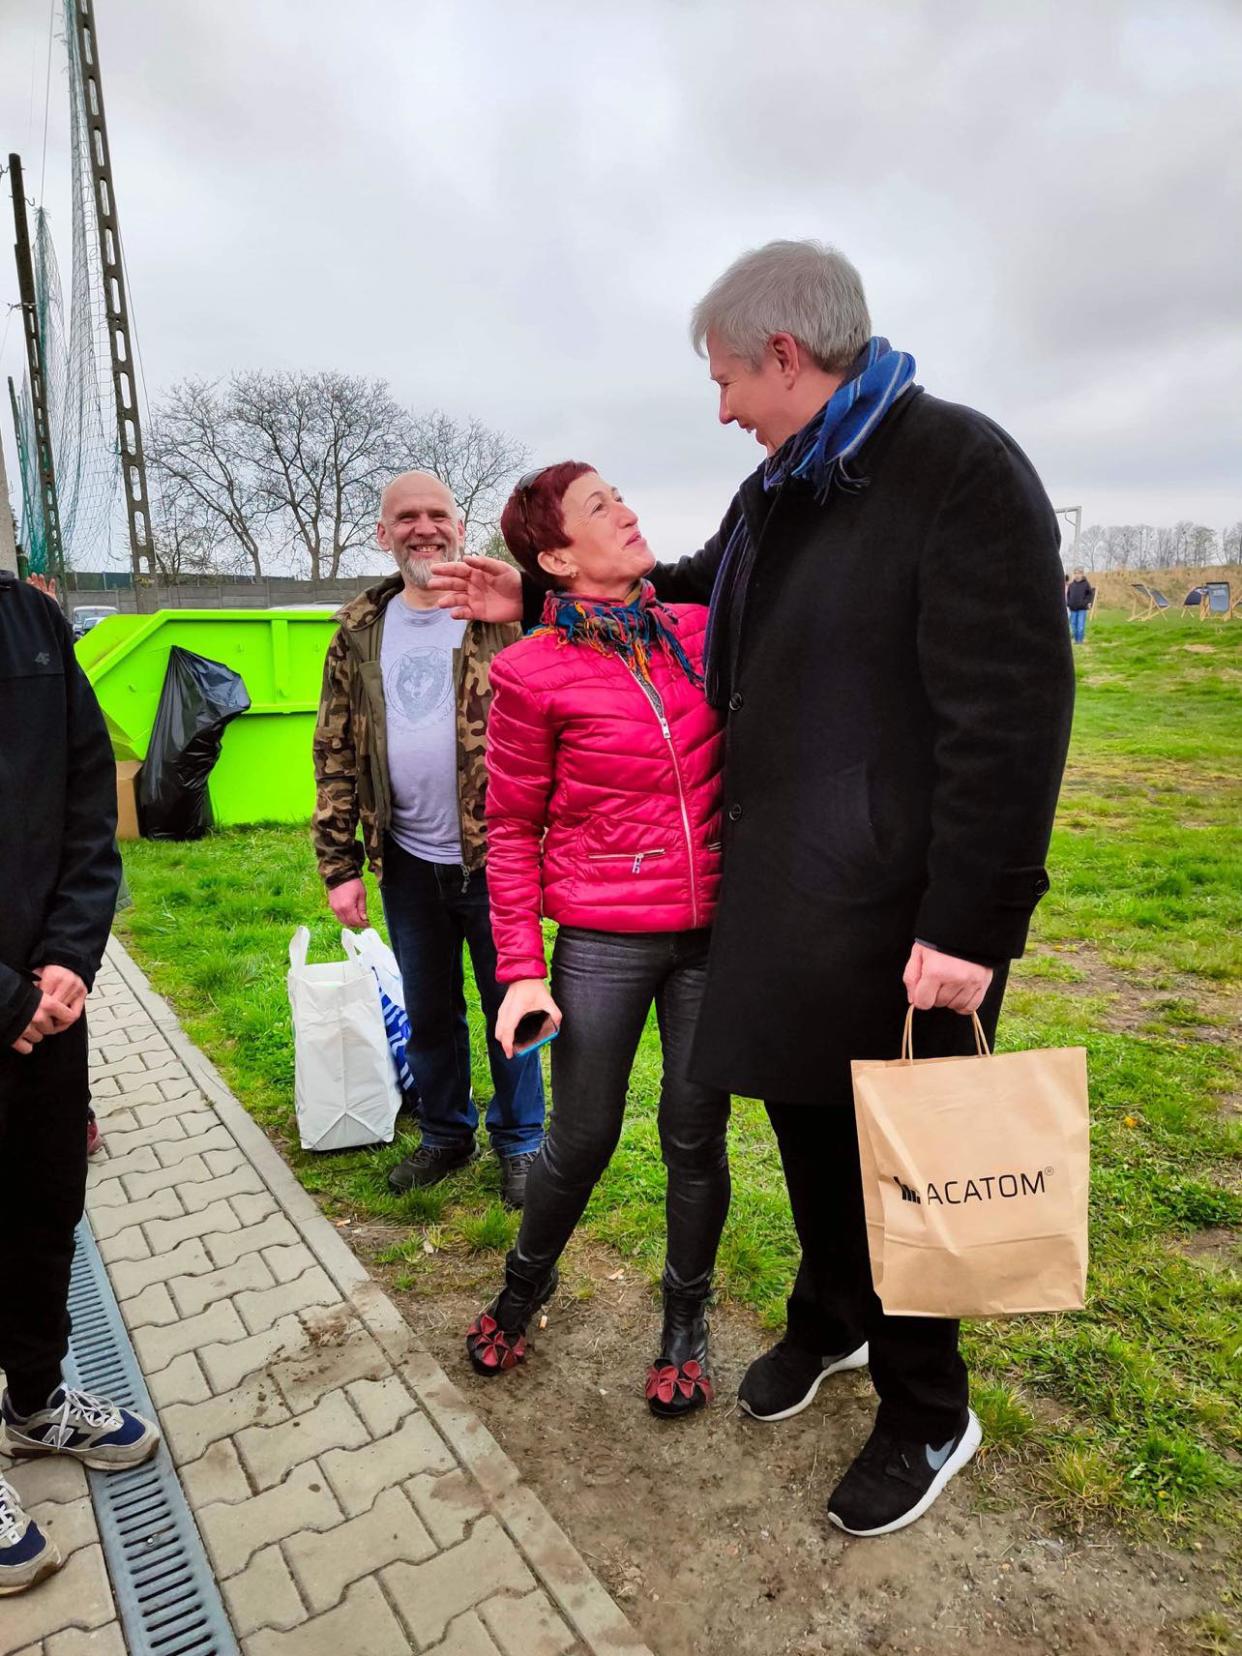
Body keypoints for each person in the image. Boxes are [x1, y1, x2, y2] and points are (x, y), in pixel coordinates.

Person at [432, 240, 1074, 1535]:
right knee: (808, 1136)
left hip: (905, 920)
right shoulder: (785, 486)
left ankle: (926, 1407)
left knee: (912, 1162)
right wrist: (536, 604)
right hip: (785, 909)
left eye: (725, 377)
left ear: (786, 356)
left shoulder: (956, 470)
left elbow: (1012, 715)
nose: (718, 405)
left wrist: (968, 925)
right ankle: (832, 1321)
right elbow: (693, 584)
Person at [463, 464, 729, 1417]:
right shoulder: (527, 673)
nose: (629, 511)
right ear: (558, 555)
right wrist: (522, 971)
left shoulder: (701, 635)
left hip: (711, 940)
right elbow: (508, 831)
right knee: (581, 1138)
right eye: (600, 507)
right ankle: (523, 1288)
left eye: (623, 495)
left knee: (695, 1138)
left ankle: (685, 1324)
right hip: (605, 942)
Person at [312, 472, 545, 1207]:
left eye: (436, 514)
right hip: (407, 858)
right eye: (405, 517)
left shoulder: (501, 610)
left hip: (499, 856)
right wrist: (339, 863)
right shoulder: (358, 630)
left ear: (459, 523)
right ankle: (446, 1133)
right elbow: (334, 750)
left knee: (513, 1002)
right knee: (428, 1010)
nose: (423, 527)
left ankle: (522, 1141)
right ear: (383, 534)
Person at [0, 571, 160, 1597]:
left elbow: (83, 801)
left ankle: (34, 1402)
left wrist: (68, 961)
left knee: (43, 1209)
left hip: (49, 1005)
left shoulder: (29, 620)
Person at [1065, 568, 1095, 643]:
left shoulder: (1086, 584)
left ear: (1082, 574)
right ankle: (1075, 640)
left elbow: (1090, 594)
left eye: (1078, 573)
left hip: (1082, 608)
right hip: (1073, 608)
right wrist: (1069, 603)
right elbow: (1068, 595)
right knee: (1073, 625)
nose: (1077, 575)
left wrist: (1087, 602)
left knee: (1080, 625)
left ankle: (1080, 641)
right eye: (1075, 573)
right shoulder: (1071, 585)